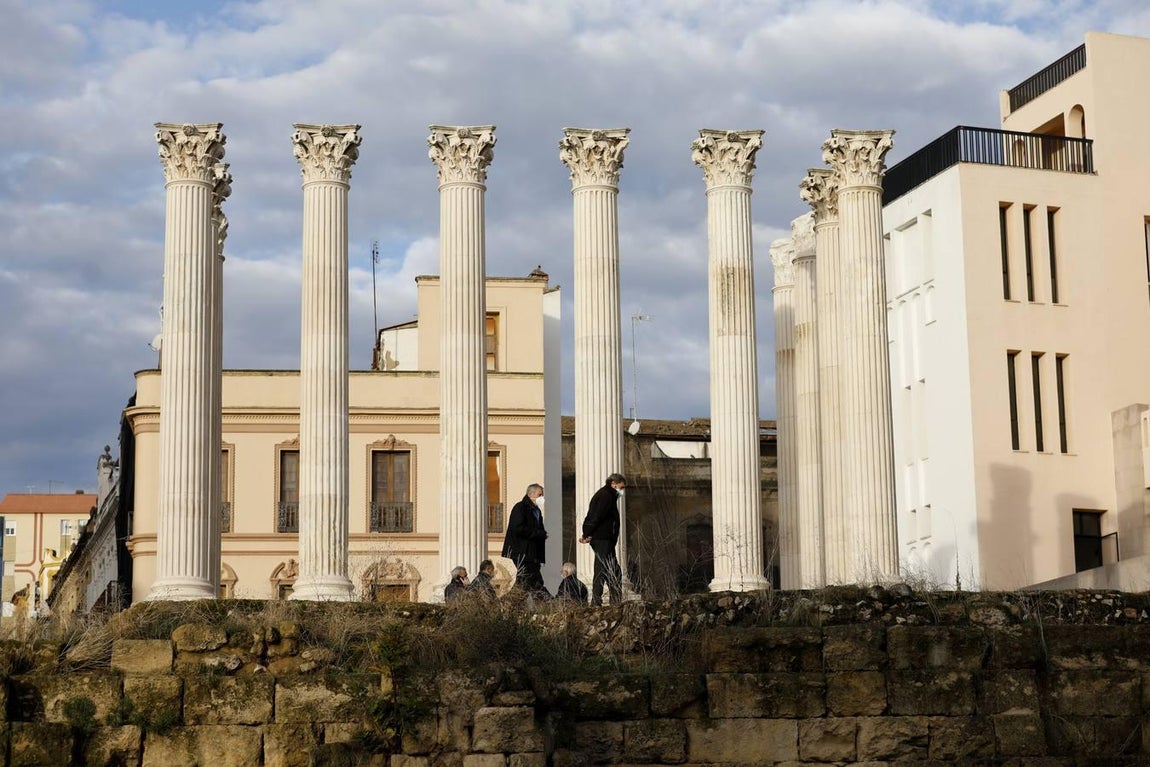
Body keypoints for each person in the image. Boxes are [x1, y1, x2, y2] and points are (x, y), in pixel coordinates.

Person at [579, 473, 626, 606]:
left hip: (605, 539)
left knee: (613, 570)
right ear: (613, 483)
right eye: (621, 487)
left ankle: (615, 600)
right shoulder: (606, 496)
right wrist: (587, 533)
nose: (622, 490)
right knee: (602, 569)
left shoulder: (608, 495)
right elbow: (596, 516)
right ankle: (596, 601)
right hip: (602, 538)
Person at [502, 483, 549, 596]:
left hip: (533, 554)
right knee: (532, 581)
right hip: (522, 553)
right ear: (531, 494)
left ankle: (510, 605)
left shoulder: (537, 511)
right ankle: (548, 603)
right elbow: (518, 528)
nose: (542, 497)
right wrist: (539, 533)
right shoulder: (520, 508)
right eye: (540, 494)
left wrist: (542, 535)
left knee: (527, 583)